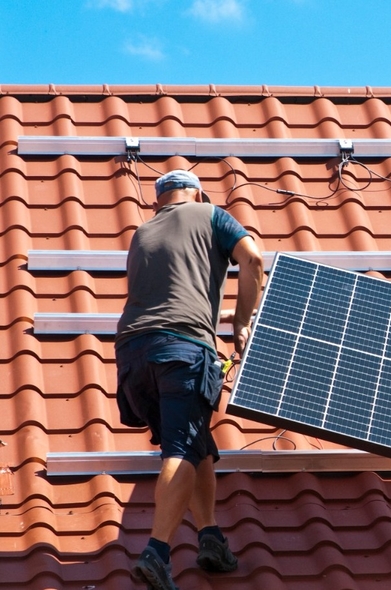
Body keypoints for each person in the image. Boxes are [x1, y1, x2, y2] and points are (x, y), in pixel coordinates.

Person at [115, 170, 264, 590]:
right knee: (181, 447)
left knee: (194, 441)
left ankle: (210, 537)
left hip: (132, 356)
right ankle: (157, 552)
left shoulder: (143, 232)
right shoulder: (212, 214)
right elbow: (253, 260)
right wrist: (242, 323)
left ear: (158, 202)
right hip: (181, 349)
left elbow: (167, 296)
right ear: (197, 193)